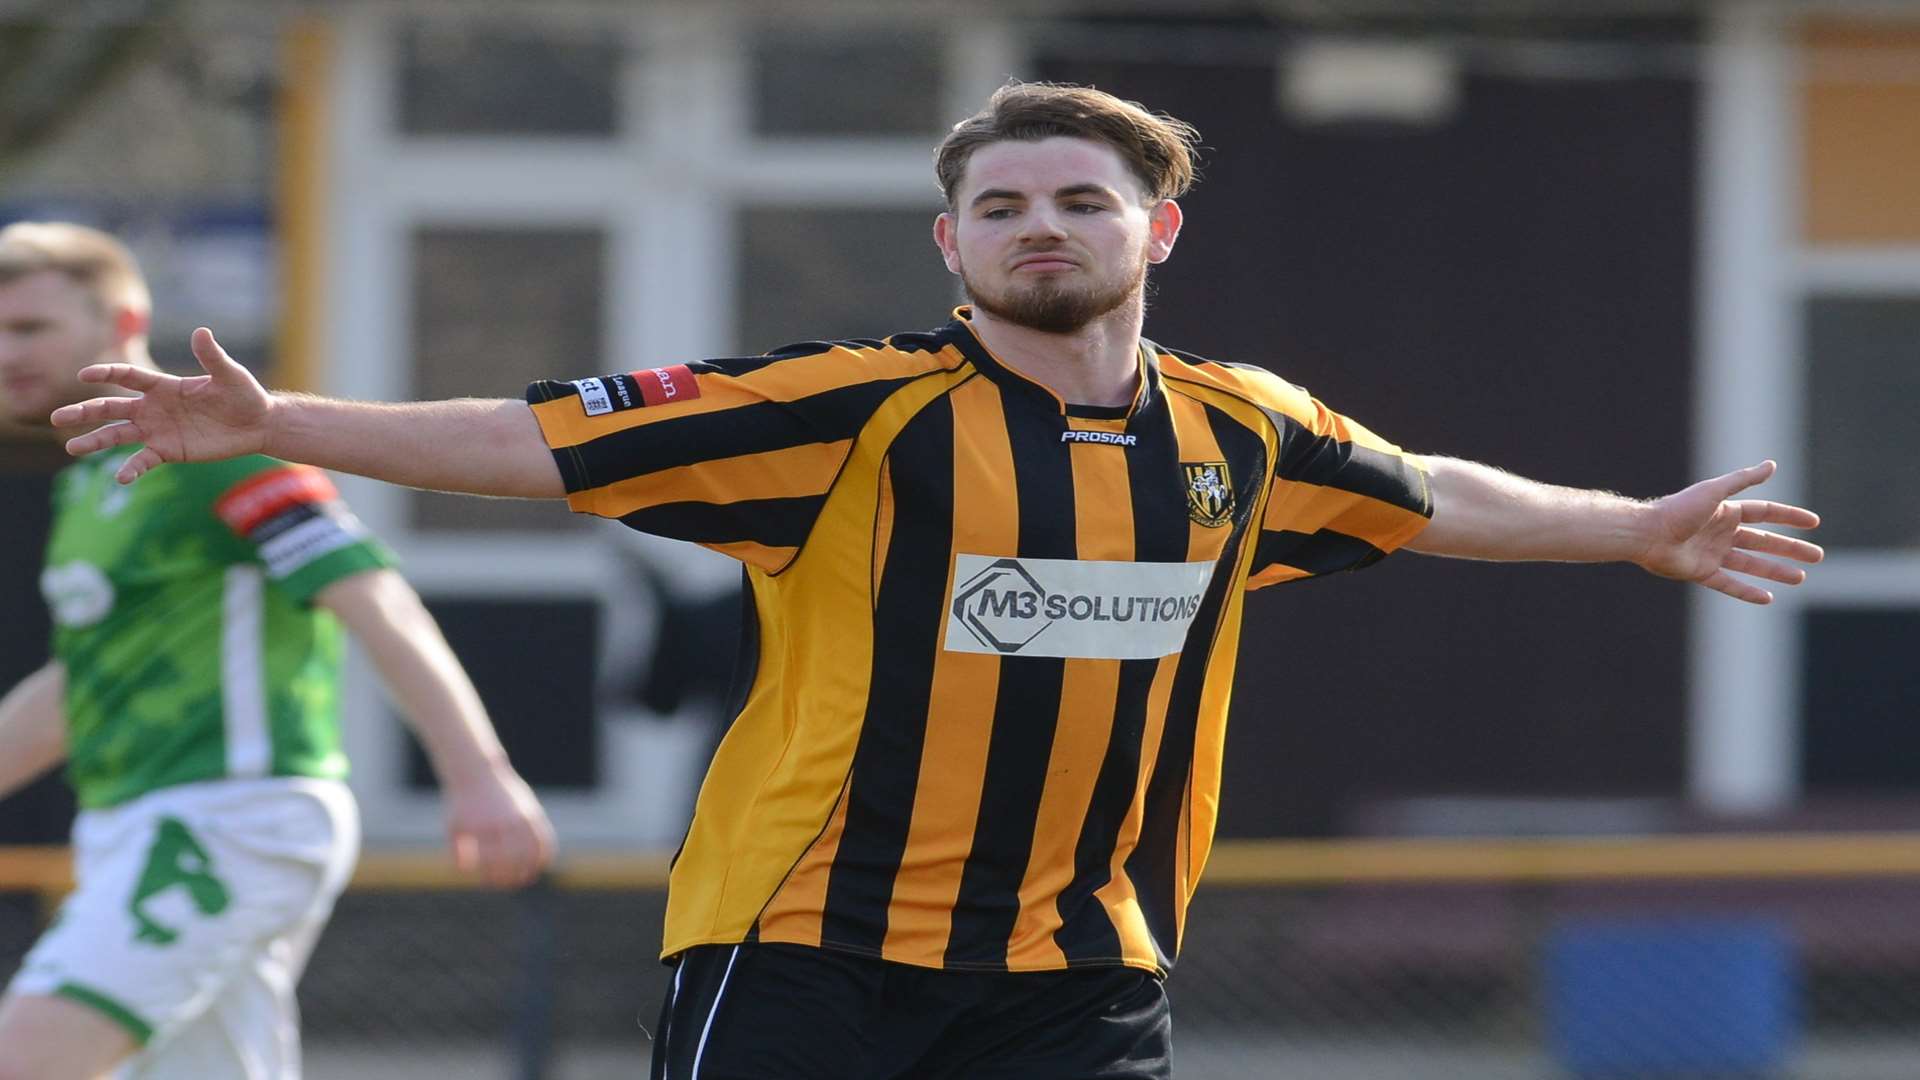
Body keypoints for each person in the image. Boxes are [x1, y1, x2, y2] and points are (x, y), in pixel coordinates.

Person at [50, 82, 1823, 1079]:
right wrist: (286, 420)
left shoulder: (1240, 436)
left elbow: (1425, 492)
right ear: (951, 241)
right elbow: (540, 438)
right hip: (808, 951)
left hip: (1082, 965)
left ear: (1158, 230)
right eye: (1003, 206)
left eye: (1080, 199)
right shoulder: (854, 411)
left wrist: (1635, 524)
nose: (1042, 226)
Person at [0, 222, 556, 1080]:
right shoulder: (89, 481)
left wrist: (478, 771)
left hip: (228, 818)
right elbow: (81, 684)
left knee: (27, 1057)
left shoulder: (207, 449)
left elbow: (368, 591)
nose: (8, 352)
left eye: (29, 328)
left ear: (123, 321)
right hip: (137, 822)